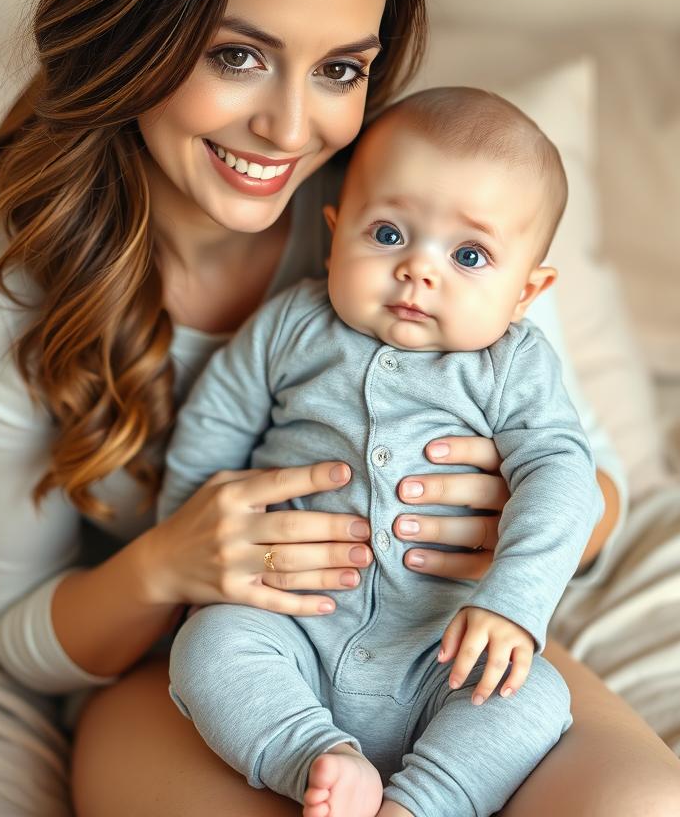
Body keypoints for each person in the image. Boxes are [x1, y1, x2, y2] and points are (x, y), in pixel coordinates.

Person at [0, 0, 680, 815]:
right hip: (191, 666)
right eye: (235, 54)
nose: (289, 126)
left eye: (340, 68)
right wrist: (168, 562)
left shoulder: (421, 218)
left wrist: (515, 528)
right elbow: (21, 631)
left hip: (442, 642)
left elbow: (588, 479)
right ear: (133, 26)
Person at [157, 87, 603, 817]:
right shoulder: (289, 328)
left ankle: (424, 803)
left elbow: (564, 478)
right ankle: (316, 757)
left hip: (444, 649)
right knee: (208, 650)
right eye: (389, 235)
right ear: (335, 234)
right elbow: (209, 440)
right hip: (289, 624)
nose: (419, 271)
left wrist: (514, 605)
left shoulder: (515, 366)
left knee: (538, 699)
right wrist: (197, 564)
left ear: (527, 291)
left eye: (469, 254)